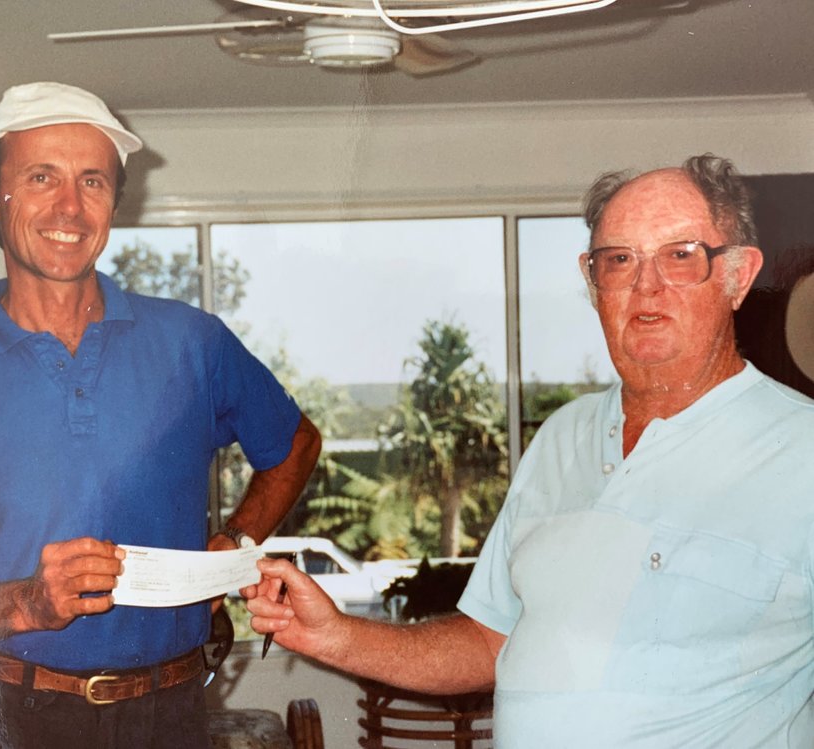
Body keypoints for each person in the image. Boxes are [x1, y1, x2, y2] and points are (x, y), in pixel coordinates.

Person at [246, 154, 814, 747]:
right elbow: (491, 641)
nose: (647, 285)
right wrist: (332, 635)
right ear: (593, 283)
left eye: (680, 255)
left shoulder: (803, 453)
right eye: (619, 259)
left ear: (739, 277)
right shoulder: (562, 436)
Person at [0, 81, 321, 749]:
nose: (70, 206)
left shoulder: (192, 342)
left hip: (170, 716)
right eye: (42, 177)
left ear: (113, 203)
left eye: (92, 181)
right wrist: (22, 602)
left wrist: (236, 543)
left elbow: (295, 443)